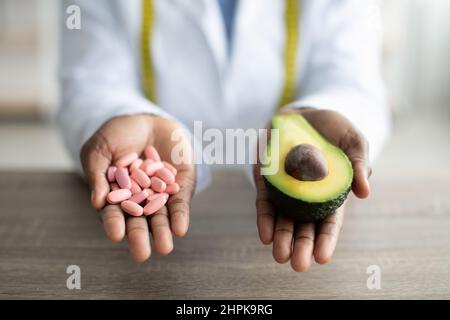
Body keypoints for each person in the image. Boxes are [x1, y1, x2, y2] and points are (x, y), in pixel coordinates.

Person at [59, 0, 390, 272]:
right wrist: (117, 115)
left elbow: (354, 82)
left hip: (265, 255)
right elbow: (90, 84)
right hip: (160, 255)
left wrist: (327, 112)